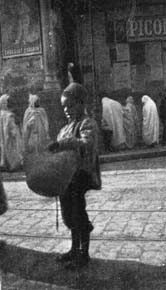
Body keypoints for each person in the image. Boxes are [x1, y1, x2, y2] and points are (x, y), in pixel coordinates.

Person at [48, 81, 101, 269]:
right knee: (69, 215)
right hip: (66, 179)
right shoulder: (65, 127)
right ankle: (73, 249)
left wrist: (64, 144)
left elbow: (86, 144)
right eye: (64, 107)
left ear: (80, 103)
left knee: (78, 214)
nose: (67, 110)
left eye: (70, 105)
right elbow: (61, 149)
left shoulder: (87, 123)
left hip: (81, 176)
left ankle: (83, 254)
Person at [0, 94, 23, 171]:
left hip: (2, 136)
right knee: (11, 150)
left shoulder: (2, 114)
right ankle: (12, 166)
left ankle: (3, 164)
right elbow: (12, 128)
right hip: (10, 137)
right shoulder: (9, 115)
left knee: (3, 149)